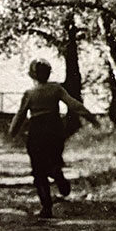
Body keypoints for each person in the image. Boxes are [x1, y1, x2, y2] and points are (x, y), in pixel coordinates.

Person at [8, 60, 98, 219]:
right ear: (48, 74)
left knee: (38, 171)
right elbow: (74, 104)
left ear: (32, 75)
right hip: (55, 129)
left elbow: (20, 114)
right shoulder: (56, 89)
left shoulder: (29, 94)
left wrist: (12, 131)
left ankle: (46, 207)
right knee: (54, 159)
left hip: (37, 131)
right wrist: (91, 118)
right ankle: (57, 174)